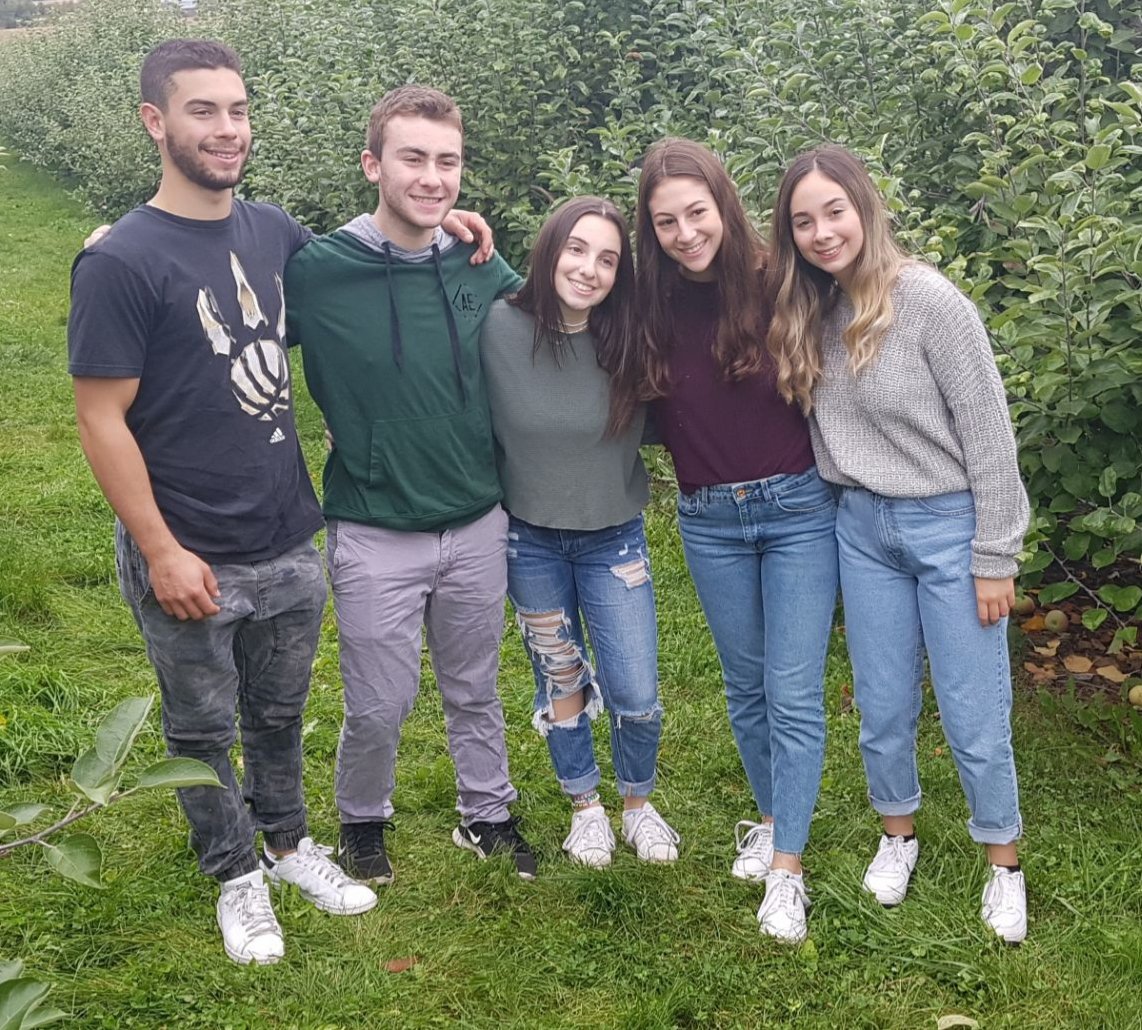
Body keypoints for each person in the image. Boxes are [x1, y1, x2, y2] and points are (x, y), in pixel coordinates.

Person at [67, 39, 379, 966]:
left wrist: (449, 226)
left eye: (237, 110)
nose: (227, 128)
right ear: (155, 122)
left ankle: (286, 844)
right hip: (189, 544)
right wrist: (160, 549)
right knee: (201, 727)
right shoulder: (121, 261)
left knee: (278, 714)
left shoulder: (274, 230)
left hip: (285, 534)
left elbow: (362, 274)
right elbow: (100, 419)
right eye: (202, 110)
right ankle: (234, 874)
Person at [766, 144, 1030, 943]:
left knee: (973, 711)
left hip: (948, 528)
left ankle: (1003, 864)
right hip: (861, 529)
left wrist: (996, 555)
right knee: (881, 706)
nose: (822, 232)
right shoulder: (813, 310)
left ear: (865, 208)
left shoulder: (931, 302)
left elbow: (989, 436)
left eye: (834, 211)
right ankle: (897, 835)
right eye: (803, 221)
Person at [285, 85, 537, 884]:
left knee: (475, 685)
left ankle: (487, 812)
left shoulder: (475, 260)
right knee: (378, 700)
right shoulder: (318, 271)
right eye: (414, 159)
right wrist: (119, 246)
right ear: (373, 165)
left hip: (476, 519)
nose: (433, 178)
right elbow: (227, 309)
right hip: (373, 524)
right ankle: (361, 821)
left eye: (448, 162)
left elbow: (550, 326)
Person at [633, 139, 839, 941]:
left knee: (792, 690)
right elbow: (557, 292)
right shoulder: (646, 303)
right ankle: (772, 818)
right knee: (746, 688)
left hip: (796, 510)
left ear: (723, 204)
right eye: (667, 222)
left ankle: (788, 870)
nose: (686, 233)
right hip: (710, 520)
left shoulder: (778, 278)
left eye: (697, 212)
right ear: (650, 230)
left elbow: (863, 282)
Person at [480, 196, 679, 868]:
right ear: (549, 250)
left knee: (637, 691)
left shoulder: (630, 338)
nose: (589, 269)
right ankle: (586, 807)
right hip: (529, 540)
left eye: (607, 259)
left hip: (613, 541)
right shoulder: (498, 326)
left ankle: (638, 804)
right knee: (560, 678)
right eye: (577, 249)